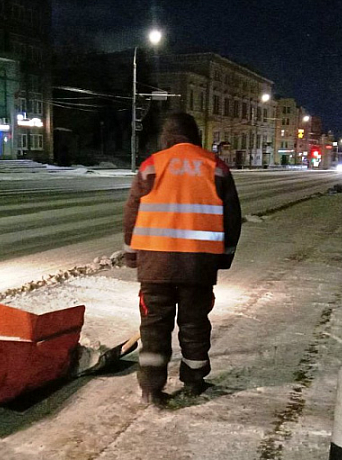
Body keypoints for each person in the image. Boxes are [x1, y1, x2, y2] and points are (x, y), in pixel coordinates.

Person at [123, 112, 242, 406]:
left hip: (154, 266)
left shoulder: (151, 166)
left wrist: (131, 254)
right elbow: (232, 219)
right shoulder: (215, 167)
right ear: (195, 136)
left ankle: (151, 387)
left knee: (153, 327)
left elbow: (131, 213)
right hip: (198, 266)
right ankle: (194, 380)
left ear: (166, 138)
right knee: (194, 324)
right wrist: (223, 258)